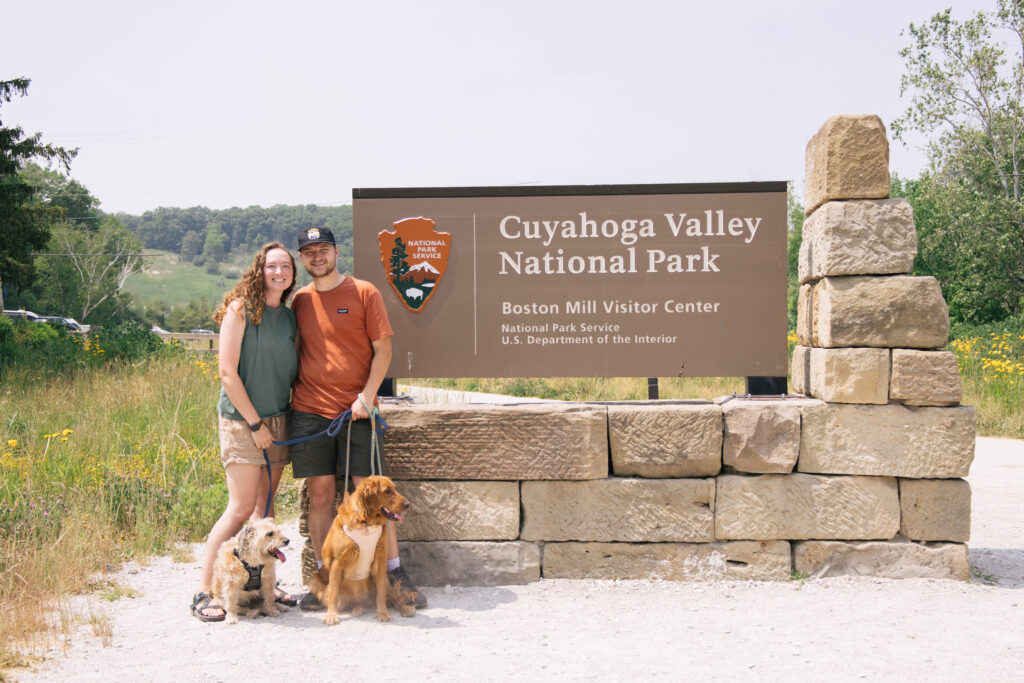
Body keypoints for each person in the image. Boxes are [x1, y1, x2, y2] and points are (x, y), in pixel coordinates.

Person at [289, 225, 426, 610]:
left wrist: (367, 398)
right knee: (320, 496)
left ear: (336, 252)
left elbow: (383, 351)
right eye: (309, 252)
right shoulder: (299, 300)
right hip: (310, 412)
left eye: (323, 250)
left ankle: (395, 572)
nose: (317, 257)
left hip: (359, 413)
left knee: (374, 493)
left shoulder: (364, 292)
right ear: (303, 259)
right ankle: (324, 574)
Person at [190, 242, 299, 622]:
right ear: (260, 269)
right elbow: (227, 372)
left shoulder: (288, 316)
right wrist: (254, 424)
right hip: (243, 421)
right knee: (239, 510)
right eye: (272, 266)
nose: (279, 272)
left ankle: (261, 585)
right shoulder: (240, 309)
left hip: (278, 421)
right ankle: (205, 591)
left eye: (286, 266)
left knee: (263, 513)